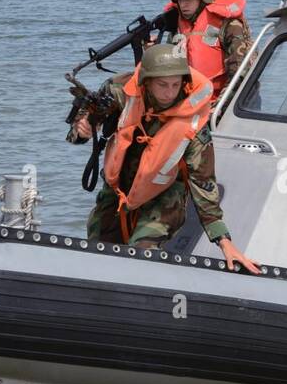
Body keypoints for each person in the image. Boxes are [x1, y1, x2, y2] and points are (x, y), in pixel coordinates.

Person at [69, 43, 260, 273]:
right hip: (119, 188)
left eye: (175, 85)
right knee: (97, 249)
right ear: (147, 82)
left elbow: (203, 181)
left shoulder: (193, 123)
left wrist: (223, 241)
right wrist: (82, 130)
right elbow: (80, 128)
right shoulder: (119, 90)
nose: (170, 93)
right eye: (162, 85)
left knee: (143, 253)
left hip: (165, 194)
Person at [155, 0, 252, 101]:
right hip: (193, 99)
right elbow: (170, 68)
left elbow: (240, 72)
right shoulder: (177, 26)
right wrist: (153, 52)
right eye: (180, 0)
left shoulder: (229, 25)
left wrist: (219, 107)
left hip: (227, 100)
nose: (183, 5)